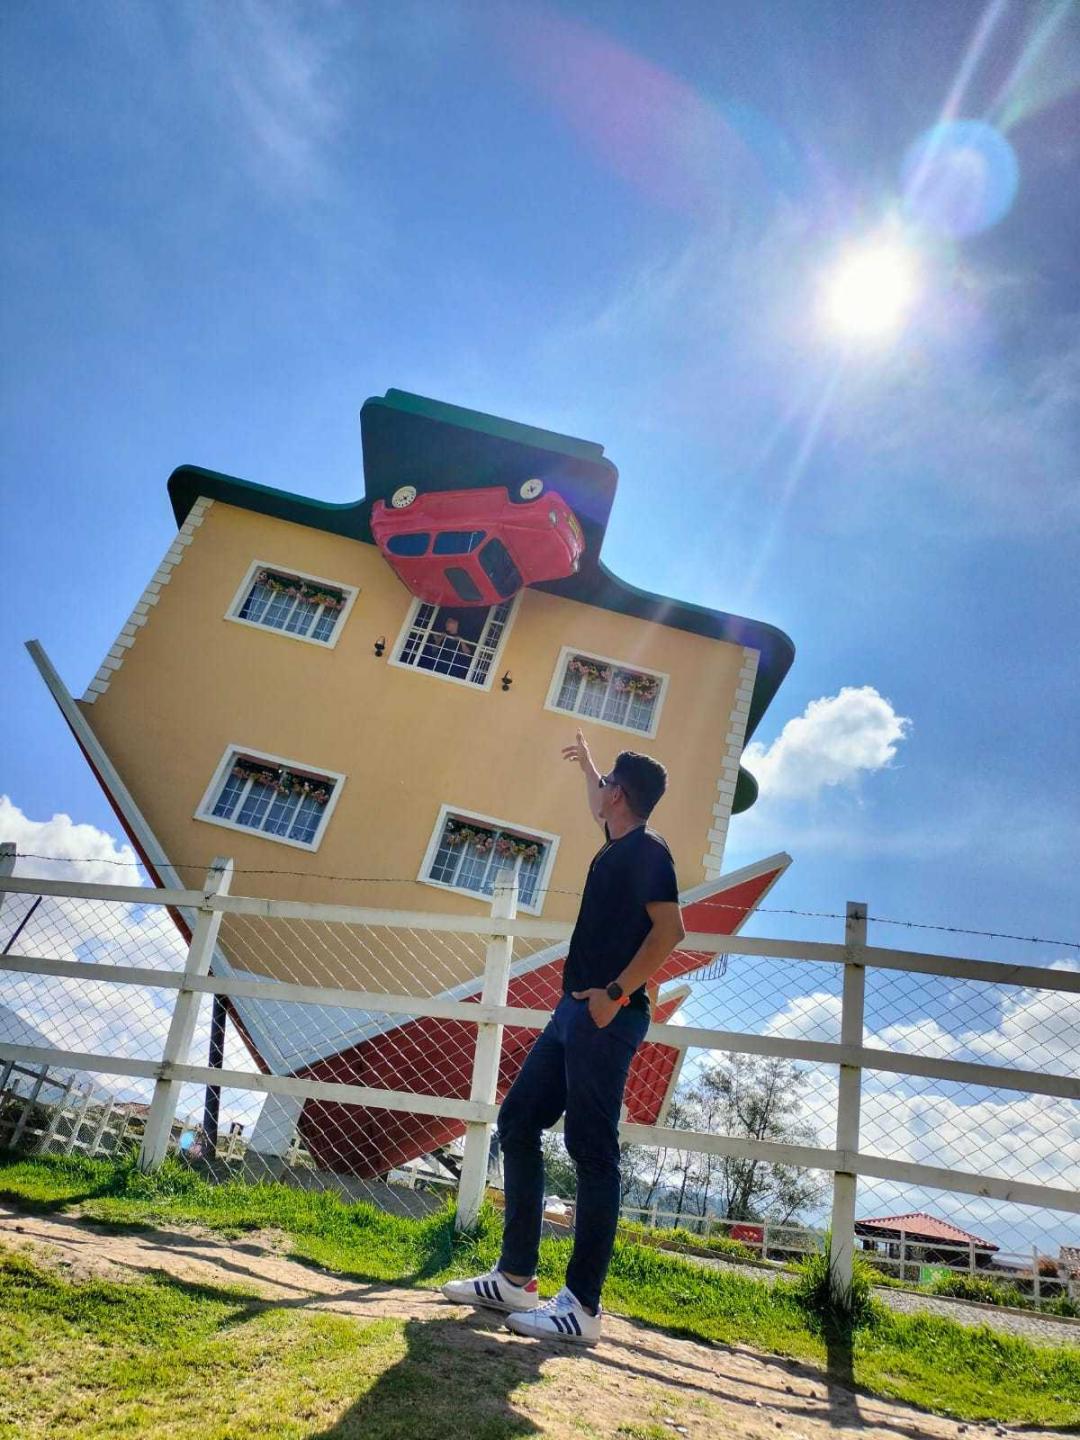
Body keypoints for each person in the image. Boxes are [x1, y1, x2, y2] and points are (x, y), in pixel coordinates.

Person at [442, 729, 686, 1345]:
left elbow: (671, 931)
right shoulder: (617, 843)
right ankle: (516, 1278)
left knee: (592, 1150)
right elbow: (598, 798)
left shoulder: (648, 851)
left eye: (606, 784)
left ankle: (581, 1307)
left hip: (607, 1016)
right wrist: (590, 765)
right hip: (570, 1014)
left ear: (619, 795)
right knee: (519, 1120)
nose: (598, 791)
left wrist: (616, 994)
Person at [418, 613, 476, 679]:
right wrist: (440, 639)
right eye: (446, 622)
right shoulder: (442, 634)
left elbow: (468, 654)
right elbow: (433, 650)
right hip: (437, 666)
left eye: (449, 622)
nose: (446, 624)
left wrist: (462, 641)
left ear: (456, 623)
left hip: (452, 670)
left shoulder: (463, 637)